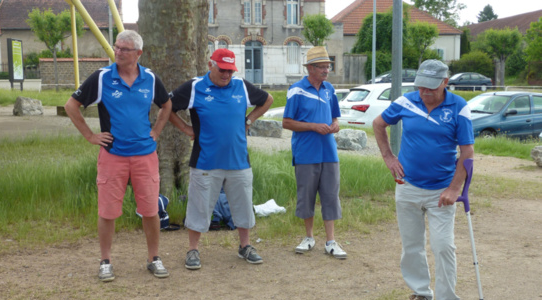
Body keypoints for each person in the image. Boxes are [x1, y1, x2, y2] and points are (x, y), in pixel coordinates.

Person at [372, 60, 474, 300]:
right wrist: (389, 157)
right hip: (408, 187)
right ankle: (421, 294)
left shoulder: (459, 107)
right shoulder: (406, 102)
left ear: (444, 83)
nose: (424, 92)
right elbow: (378, 124)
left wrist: (454, 188)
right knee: (412, 246)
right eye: (420, 86)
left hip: (442, 191)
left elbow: (467, 152)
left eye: (430, 87)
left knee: (443, 246)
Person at [64, 30, 172, 282]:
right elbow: (71, 106)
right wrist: (91, 136)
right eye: (116, 47)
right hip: (113, 156)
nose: (118, 52)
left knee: (150, 210)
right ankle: (105, 261)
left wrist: (156, 131)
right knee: (108, 211)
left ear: (138, 53)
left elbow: (166, 104)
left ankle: (154, 258)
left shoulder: (151, 79)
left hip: (145, 156)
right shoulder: (102, 78)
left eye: (124, 49)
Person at [167, 49, 273, 270]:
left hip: (239, 162)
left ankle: (245, 246)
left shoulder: (241, 86)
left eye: (230, 71)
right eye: (222, 70)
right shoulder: (195, 87)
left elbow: (267, 100)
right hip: (206, 161)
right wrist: (186, 128)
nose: (227, 75)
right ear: (210, 65)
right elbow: (167, 107)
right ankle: (193, 250)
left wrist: (250, 119)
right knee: (199, 207)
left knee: (243, 206)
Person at [282, 46, 347, 259]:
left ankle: (331, 241)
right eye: (322, 67)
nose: (326, 70)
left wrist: (335, 125)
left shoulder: (330, 89)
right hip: (305, 153)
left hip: (329, 153)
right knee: (306, 196)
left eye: (328, 66)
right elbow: (286, 122)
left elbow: (335, 117)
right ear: (310, 68)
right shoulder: (296, 90)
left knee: (330, 196)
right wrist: (313, 126)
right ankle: (308, 237)